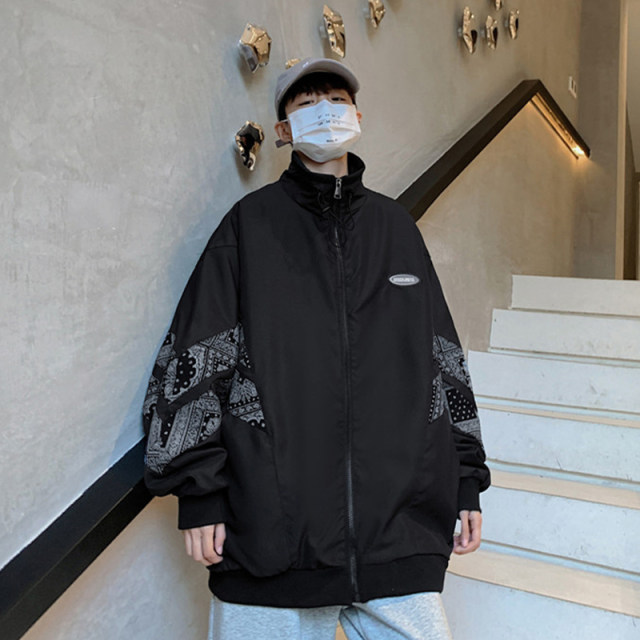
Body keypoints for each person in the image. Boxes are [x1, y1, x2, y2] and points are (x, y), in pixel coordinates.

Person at [142, 56, 491, 640]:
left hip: (398, 535)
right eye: (306, 103)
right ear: (283, 129)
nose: (324, 111)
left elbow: (443, 361)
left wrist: (465, 479)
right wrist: (200, 495)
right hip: (271, 542)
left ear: (357, 116)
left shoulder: (396, 229)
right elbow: (196, 356)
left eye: (336, 99)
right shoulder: (248, 227)